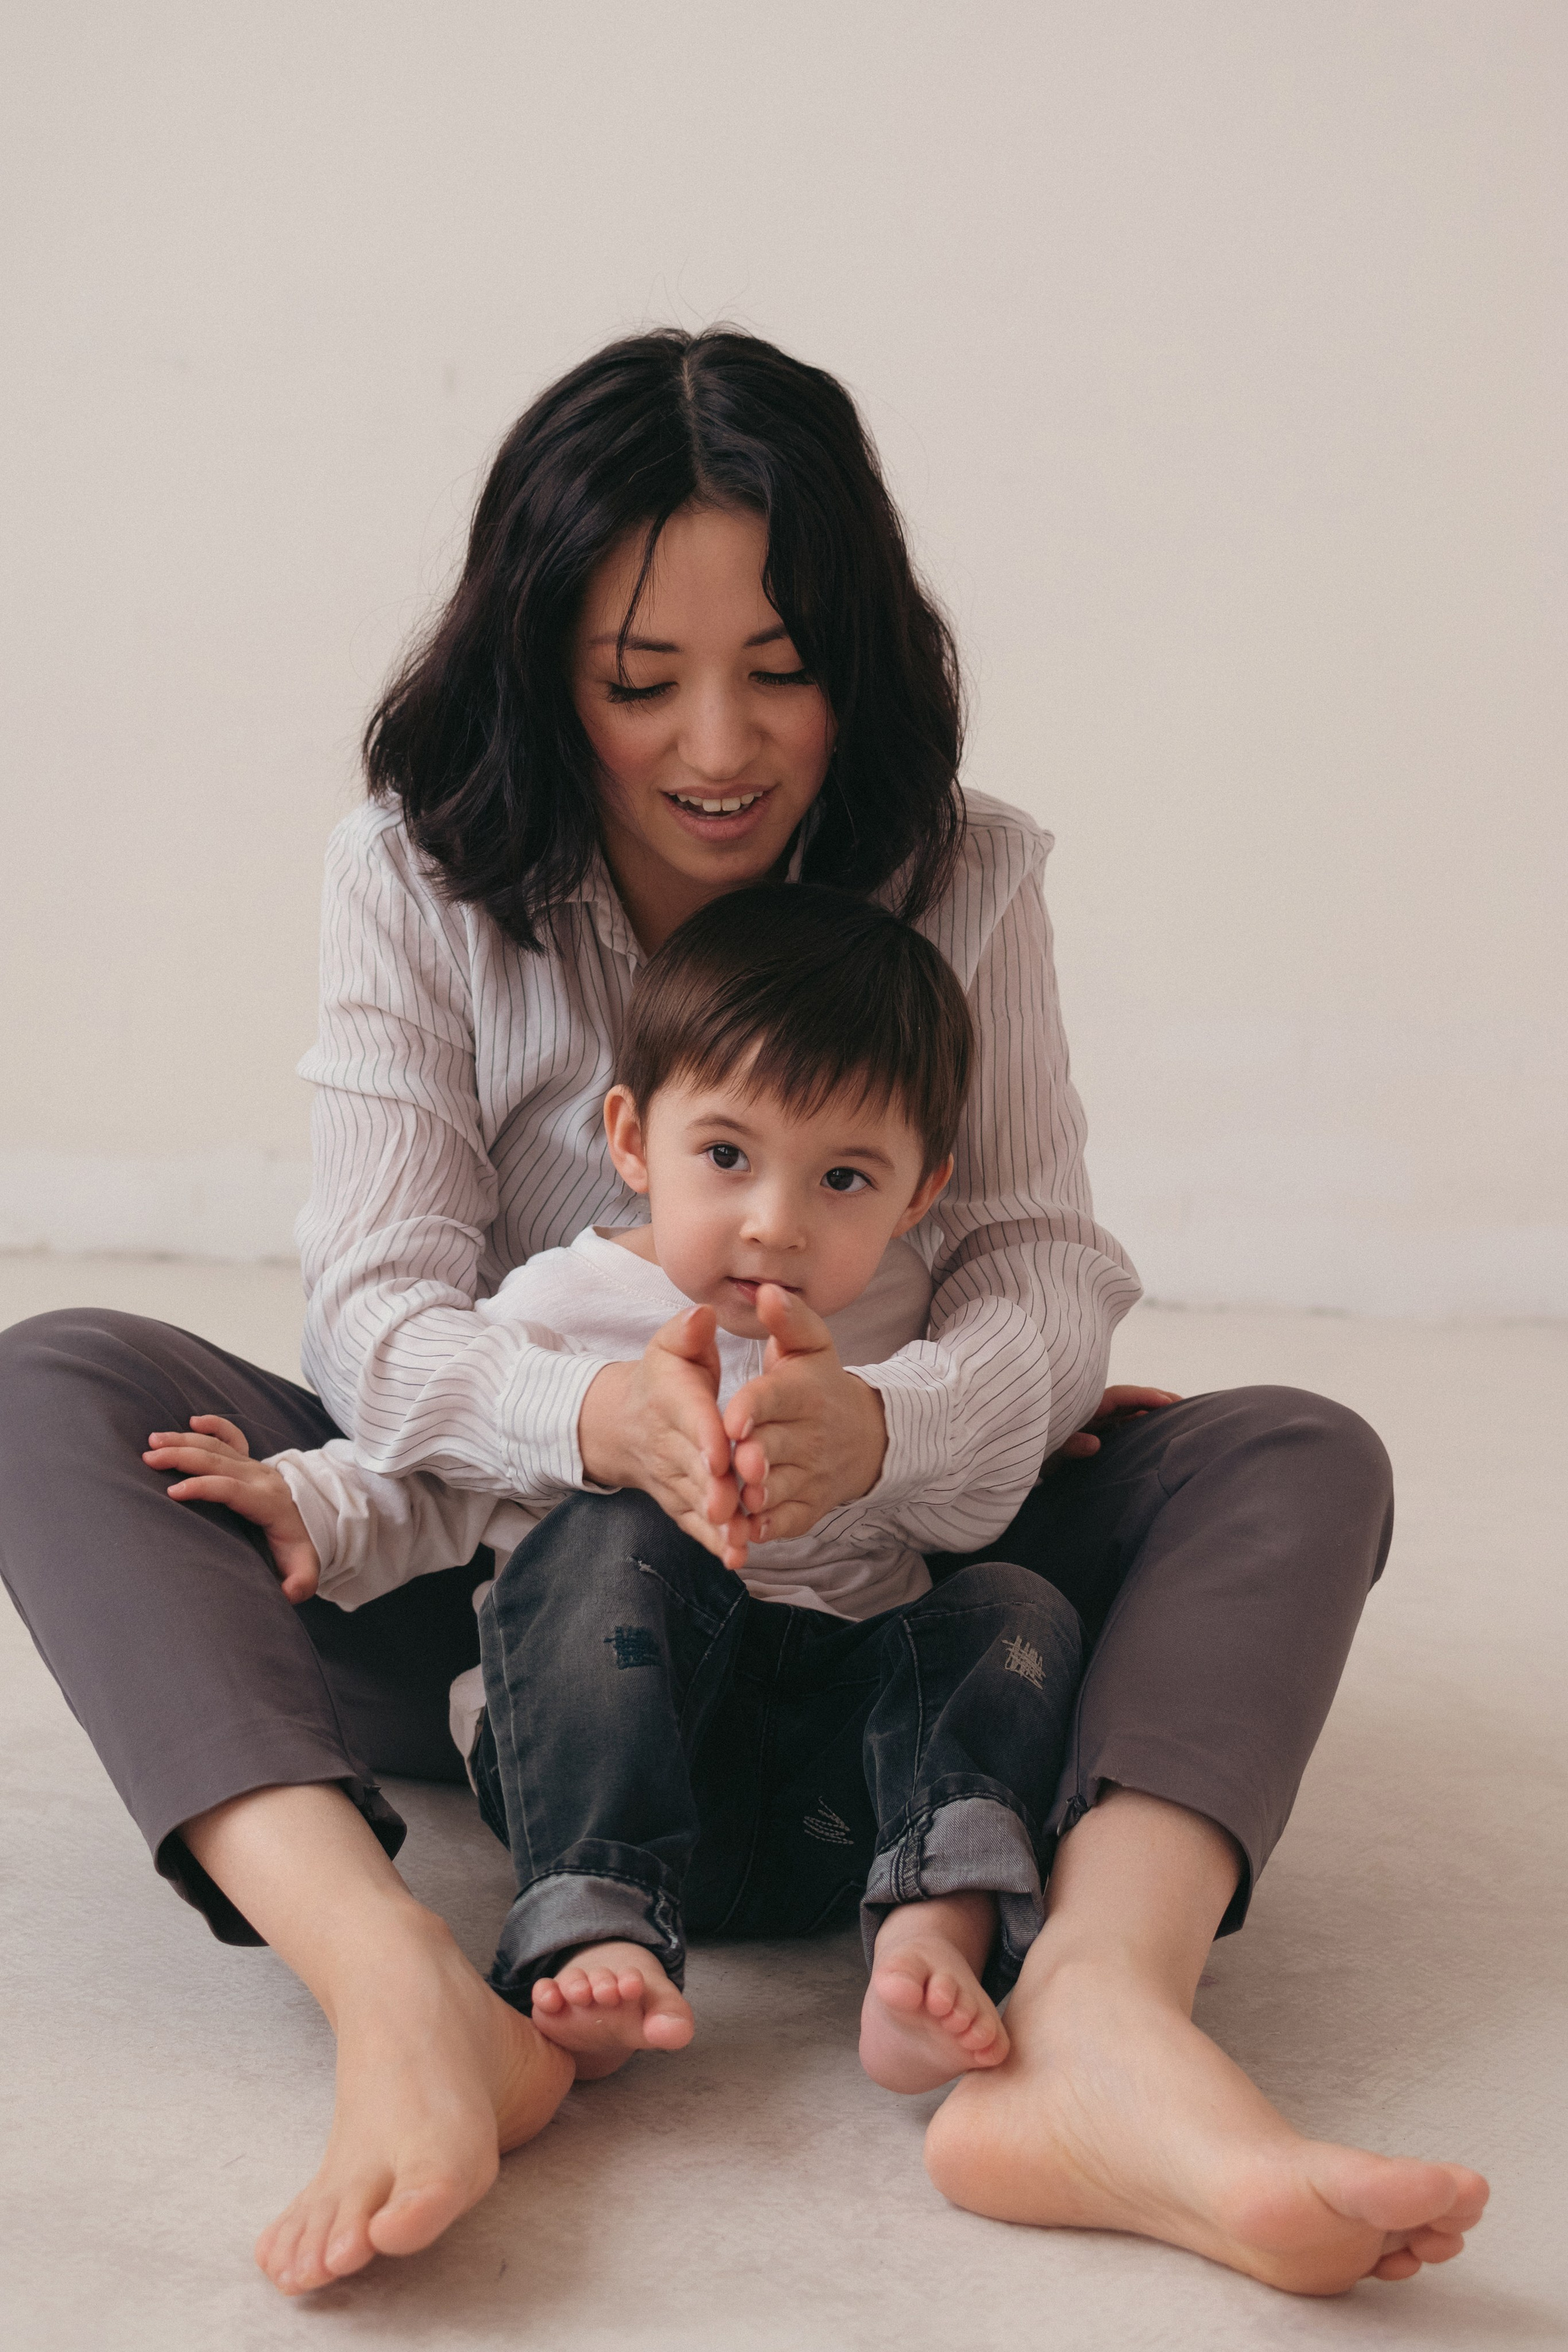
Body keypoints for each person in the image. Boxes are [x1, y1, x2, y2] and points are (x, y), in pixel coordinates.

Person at [0, 326, 1486, 2299]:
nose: (720, 746)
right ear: (544, 670)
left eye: (780, 668)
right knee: (66, 1391)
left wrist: (906, 1426)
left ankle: (1105, 2027)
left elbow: (1045, 1260)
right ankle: (402, 1995)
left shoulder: (964, 874)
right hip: (523, 1607)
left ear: (860, 656)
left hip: (894, 1599)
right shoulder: (421, 877)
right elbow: (374, 1313)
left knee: (1295, 1453)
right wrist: (592, 1427)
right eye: (642, 681)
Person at [145, 886, 1087, 2097]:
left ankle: (930, 1928)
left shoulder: (912, 1326)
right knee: (610, 1532)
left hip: (834, 1787)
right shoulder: (563, 1303)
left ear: (919, 1192)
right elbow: (440, 1469)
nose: (775, 1225)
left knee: (1016, 1606)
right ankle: (594, 1924)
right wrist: (308, 1503)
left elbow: (970, 1473)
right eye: (727, 1156)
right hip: (615, 1749)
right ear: (634, 1141)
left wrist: (997, 1433)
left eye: (844, 1179)